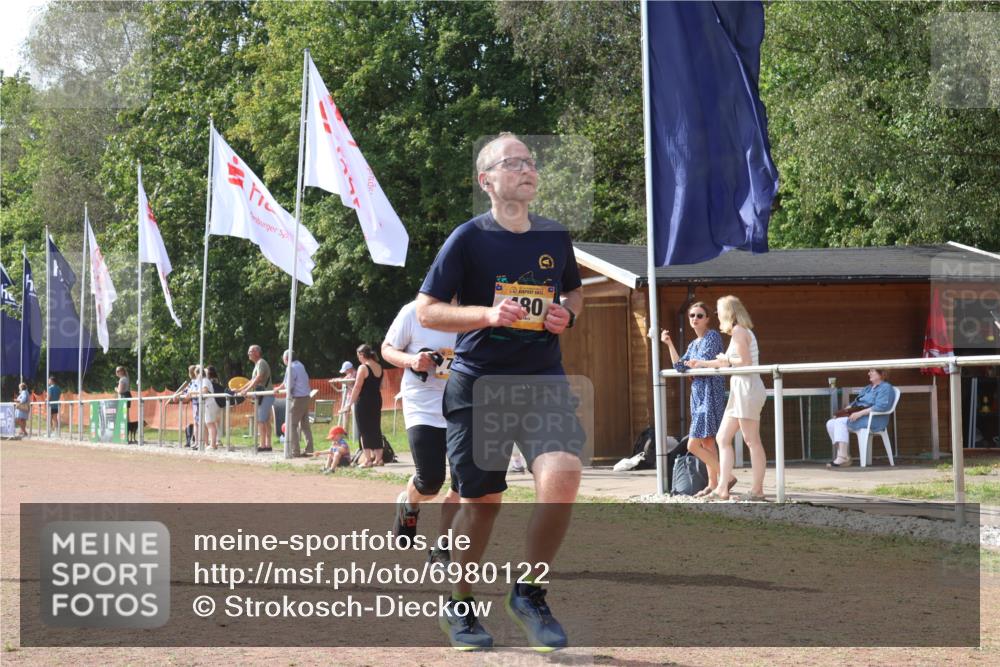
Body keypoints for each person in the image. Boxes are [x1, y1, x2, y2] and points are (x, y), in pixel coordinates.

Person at [416, 132, 584, 651]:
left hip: (543, 379)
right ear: (486, 180)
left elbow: (573, 292)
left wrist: (567, 315)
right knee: (482, 503)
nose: (526, 169)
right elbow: (427, 310)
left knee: (563, 476)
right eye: (512, 163)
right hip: (480, 384)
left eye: (529, 161)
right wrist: (488, 315)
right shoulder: (467, 238)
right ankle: (459, 602)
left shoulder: (554, 236)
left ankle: (530, 593)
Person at [382, 299, 461, 563]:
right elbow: (387, 349)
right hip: (423, 405)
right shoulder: (413, 311)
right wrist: (412, 360)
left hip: (461, 403)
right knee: (430, 482)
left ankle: (442, 547)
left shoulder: (474, 312)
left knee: (464, 482)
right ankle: (410, 503)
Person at [694, 296, 767, 502]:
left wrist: (725, 359)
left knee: (751, 440)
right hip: (739, 389)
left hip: (747, 388)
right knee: (722, 438)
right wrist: (701, 363)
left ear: (728, 312)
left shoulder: (739, 331)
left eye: (718, 311)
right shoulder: (738, 332)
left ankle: (757, 490)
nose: (717, 315)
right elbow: (727, 362)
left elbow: (744, 362)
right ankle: (722, 488)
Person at [659, 301, 729, 497]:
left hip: (709, 392)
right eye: (692, 315)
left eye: (699, 315)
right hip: (697, 394)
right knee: (707, 442)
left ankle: (725, 477)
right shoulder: (693, 344)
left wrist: (695, 365)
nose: (695, 319)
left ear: (707, 319)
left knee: (694, 444)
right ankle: (714, 484)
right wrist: (669, 343)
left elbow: (701, 364)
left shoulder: (712, 336)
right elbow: (680, 366)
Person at [826, 369, 896, 468]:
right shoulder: (868, 388)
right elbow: (856, 403)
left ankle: (842, 457)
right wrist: (843, 412)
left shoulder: (886, 388)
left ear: (881, 374)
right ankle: (843, 455)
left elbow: (881, 406)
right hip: (861, 417)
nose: (869, 373)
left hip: (874, 419)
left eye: (872, 371)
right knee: (830, 423)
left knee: (840, 422)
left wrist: (859, 413)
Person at [340, 344, 384, 466]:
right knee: (376, 428)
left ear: (361, 355)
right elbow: (382, 386)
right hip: (376, 400)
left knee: (364, 430)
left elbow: (357, 387)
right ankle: (379, 459)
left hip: (364, 401)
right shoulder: (379, 367)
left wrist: (349, 404)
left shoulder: (363, 368)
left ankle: (368, 460)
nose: (358, 358)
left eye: (358, 355)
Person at [274, 350, 315, 459]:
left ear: (286, 358)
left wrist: (286, 391)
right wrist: (279, 388)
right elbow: (286, 382)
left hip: (298, 398)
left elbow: (289, 384)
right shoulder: (300, 365)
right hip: (306, 396)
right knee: (305, 425)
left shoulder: (290, 367)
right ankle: (309, 450)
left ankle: (295, 451)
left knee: (291, 424)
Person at [237, 345, 274, 452]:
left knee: (261, 420)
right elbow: (252, 380)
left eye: (251, 351)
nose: (248, 353)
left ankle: (263, 445)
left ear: (257, 352)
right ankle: (267, 444)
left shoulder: (261, 362)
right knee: (265, 420)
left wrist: (246, 390)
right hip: (263, 396)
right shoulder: (257, 364)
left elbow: (258, 378)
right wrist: (240, 389)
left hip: (265, 395)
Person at [201, 365, 224, 450]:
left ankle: (213, 443)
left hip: (212, 402)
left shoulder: (207, 381)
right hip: (217, 403)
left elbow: (205, 391)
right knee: (214, 423)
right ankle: (216, 441)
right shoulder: (217, 380)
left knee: (211, 423)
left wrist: (195, 392)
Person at [329, 361, 356, 428]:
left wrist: (342, 381)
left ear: (350, 368)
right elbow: (343, 379)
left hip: (355, 397)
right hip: (349, 397)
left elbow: (351, 382)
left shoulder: (356, 374)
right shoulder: (349, 375)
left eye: (346, 370)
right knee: (345, 413)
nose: (345, 372)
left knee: (355, 414)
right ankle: (344, 430)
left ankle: (356, 432)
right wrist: (335, 379)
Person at [115, 366, 138, 444]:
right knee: (126, 417)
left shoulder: (122, 379)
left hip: (124, 398)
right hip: (126, 397)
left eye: (118, 371)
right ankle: (126, 437)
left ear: (122, 371)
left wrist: (116, 389)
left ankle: (125, 437)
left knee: (124, 418)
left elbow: (120, 391)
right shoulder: (126, 378)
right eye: (116, 371)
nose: (116, 373)